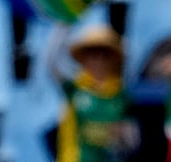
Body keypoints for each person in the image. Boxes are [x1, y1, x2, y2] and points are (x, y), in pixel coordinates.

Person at [45, 23, 137, 161]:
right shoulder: (75, 87)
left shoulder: (121, 95)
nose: (98, 60)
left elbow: (132, 141)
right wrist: (64, 23)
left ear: (113, 59)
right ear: (83, 59)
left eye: (104, 54)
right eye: (92, 54)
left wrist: (122, 135)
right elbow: (52, 63)